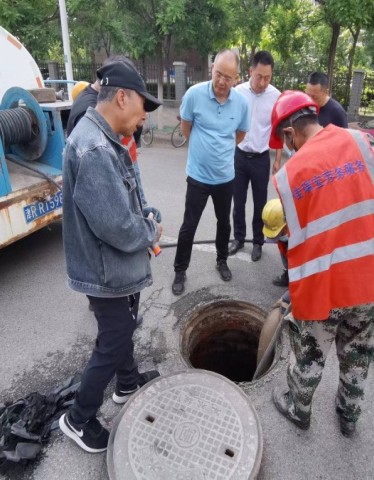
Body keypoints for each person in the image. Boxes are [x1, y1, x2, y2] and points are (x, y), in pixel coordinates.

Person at [269, 91, 374, 437]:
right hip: (366, 280)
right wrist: (362, 236)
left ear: (290, 134)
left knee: (309, 357)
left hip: (322, 289)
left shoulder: (289, 177)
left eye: (285, 141)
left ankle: (299, 410)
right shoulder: (362, 142)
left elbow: (290, 244)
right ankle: (348, 418)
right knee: (357, 353)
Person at [59, 59, 163, 453]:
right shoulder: (93, 148)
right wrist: (149, 231)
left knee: (124, 323)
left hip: (110, 265)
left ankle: (127, 382)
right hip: (105, 269)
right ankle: (78, 418)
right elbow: (117, 226)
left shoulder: (103, 135)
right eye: (141, 109)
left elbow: (126, 196)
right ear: (122, 97)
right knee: (115, 334)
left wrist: (146, 211)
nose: (141, 120)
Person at [171, 49, 250, 295]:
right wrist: (203, 152)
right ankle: (180, 270)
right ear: (212, 68)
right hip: (198, 177)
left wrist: (219, 152)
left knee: (223, 223)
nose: (222, 81)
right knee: (189, 226)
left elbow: (240, 134)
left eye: (228, 77)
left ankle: (222, 261)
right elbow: (186, 129)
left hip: (225, 177)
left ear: (236, 78)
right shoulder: (194, 95)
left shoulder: (241, 103)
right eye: (218, 74)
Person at [67, 56, 148, 206]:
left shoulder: (98, 108)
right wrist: (149, 228)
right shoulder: (94, 144)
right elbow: (115, 221)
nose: (143, 116)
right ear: (121, 96)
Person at [229, 51, 281, 262]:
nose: (262, 82)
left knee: (261, 204)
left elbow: (278, 130)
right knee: (238, 201)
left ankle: (258, 242)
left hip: (261, 158)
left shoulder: (276, 96)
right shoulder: (237, 92)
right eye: (259, 76)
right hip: (239, 156)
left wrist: (277, 159)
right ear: (251, 71)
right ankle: (239, 238)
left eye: (267, 77)